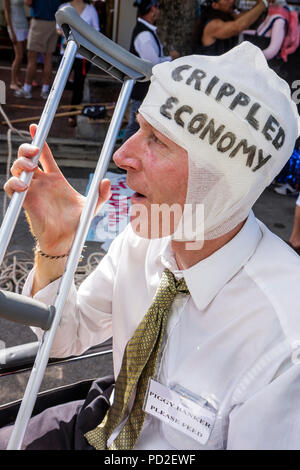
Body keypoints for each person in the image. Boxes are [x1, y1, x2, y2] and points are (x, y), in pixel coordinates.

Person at [1, 41, 300, 450]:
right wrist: (55, 246)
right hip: (103, 425)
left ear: (220, 181)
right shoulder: (149, 236)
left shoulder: (286, 335)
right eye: (138, 128)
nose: (123, 154)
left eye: (157, 140)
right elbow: (64, 339)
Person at [122, 0, 180, 142]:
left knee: (138, 126)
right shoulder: (144, 35)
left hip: (144, 89)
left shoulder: (146, 31)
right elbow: (152, 66)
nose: (159, 11)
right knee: (136, 126)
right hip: (142, 89)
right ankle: (123, 160)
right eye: (158, 7)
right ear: (152, 9)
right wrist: (170, 58)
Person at [56, 0, 100, 127]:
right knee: (60, 82)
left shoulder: (91, 10)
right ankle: (52, 109)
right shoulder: (64, 7)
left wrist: (84, 37)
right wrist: (71, 34)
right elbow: (57, 29)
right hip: (66, 52)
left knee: (79, 85)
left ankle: (72, 113)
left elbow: (96, 31)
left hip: (83, 55)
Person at [14, 0, 61, 100]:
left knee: (32, 57)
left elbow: (28, 2)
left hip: (39, 22)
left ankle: (27, 89)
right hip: (53, 22)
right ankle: (45, 90)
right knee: (48, 57)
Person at [192, 0, 269, 56]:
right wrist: (263, 3)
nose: (232, 1)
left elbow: (245, 19)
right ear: (215, 5)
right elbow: (238, 26)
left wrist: (259, 3)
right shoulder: (212, 25)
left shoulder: (228, 14)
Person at [3, 0, 29, 91]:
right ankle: (12, 82)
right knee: (19, 56)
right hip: (15, 27)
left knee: (22, 56)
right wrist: (11, 30)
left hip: (24, 25)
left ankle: (17, 79)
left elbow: (28, 4)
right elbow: (6, 11)